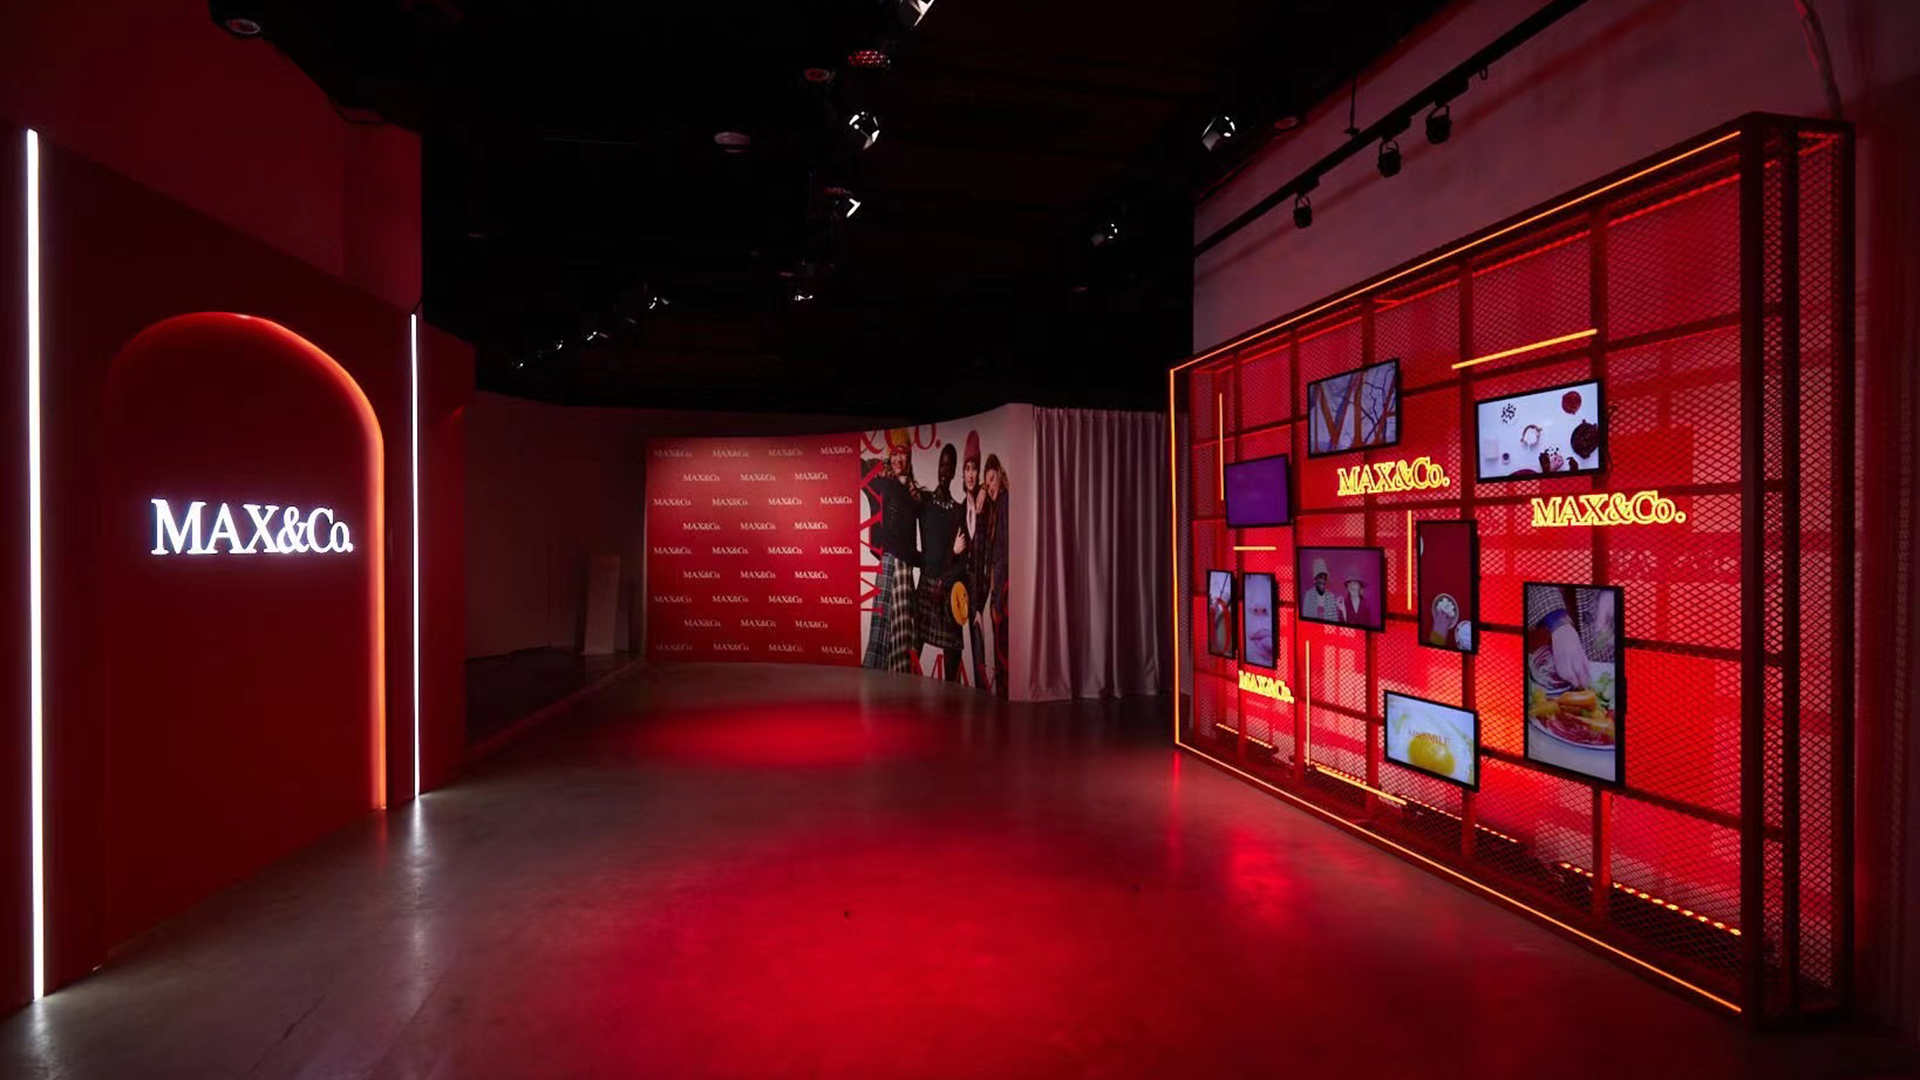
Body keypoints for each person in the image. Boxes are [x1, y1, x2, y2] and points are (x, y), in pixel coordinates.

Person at [860, 428, 922, 672]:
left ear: (909, 457)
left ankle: (900, 686)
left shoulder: (915, 495)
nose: (898, 459)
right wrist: (878, 465)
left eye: (902, 453)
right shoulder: (881, 482)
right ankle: (872, 683)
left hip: (905, 568)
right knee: (881, 632)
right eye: (893, 453)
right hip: (887, 563)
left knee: (902, 638)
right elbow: (859, 467)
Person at [916, 443, 967, 682]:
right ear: (938, 467)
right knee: (911, 654)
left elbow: (962, 560)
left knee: (953, 654)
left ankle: (953, 700)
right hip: (926, 585)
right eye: (942, 465)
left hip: (947, 588)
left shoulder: (958, 510)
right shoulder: (925, 501)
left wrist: (944, 581)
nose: (945, 471)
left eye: (949, 466)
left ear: (955, 471)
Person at [1526, 584, 1616, 689]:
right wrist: (1557, 622)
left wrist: (1609, 590)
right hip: (1547, 628)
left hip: (1600, 631)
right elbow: (1532, 578)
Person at [960, 432, 993, 690]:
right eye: (967, 469)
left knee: (981, 652)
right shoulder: (961, 508)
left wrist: (981, 603)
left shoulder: (986, 505)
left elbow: (989, 556)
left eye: (974, 469)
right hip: (964, 590)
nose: (971, 474)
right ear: (962, 474)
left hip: (983, 589)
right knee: (967, 650)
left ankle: (986, 700)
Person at [984, 453, 1011, 699]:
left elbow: (1004, 555)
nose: (990, 486)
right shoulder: (995, 508)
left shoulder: (1005, 503)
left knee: (1004, 650)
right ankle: (1003, 694)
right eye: (987, 483)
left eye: (991, 479)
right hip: (998, 589)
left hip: (1004, 589)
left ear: (1000, 476)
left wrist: (998, 599)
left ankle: (1005, 696)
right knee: (1000, 651)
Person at [1301, 557, 1342, 623]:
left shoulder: (1331, 597)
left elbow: (1335, 620)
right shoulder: (1308, 595)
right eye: (1320, 577)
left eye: (1325, 578)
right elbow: (1305, 619)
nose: (1323, 581)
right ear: (1315, 580)